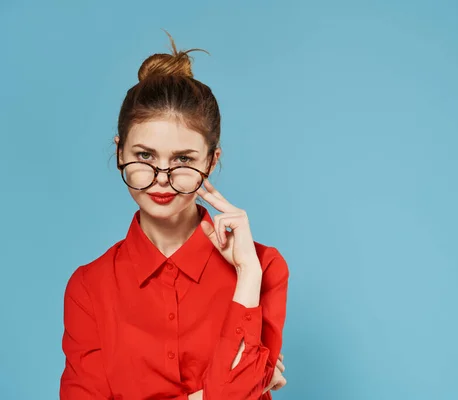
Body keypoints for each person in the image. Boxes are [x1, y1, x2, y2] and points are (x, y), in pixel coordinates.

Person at [59, 31, 289, 400]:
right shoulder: (89, 287)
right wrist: (220, 390)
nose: (161, 179)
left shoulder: (263, 267)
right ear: (120, 152)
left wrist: (247, 276)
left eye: (183, 160)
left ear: (212, 161)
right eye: (145, 156)